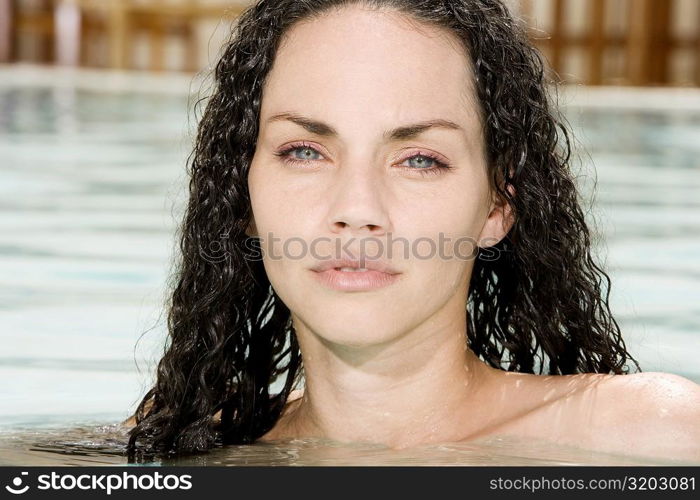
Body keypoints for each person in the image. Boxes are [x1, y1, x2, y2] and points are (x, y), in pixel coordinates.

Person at [123, 0, 700, 463]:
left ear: (497, 207)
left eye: (420, 159)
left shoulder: (648, 437)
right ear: (242, 197)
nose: (356, 208)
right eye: (304, 151)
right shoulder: (191, 445)